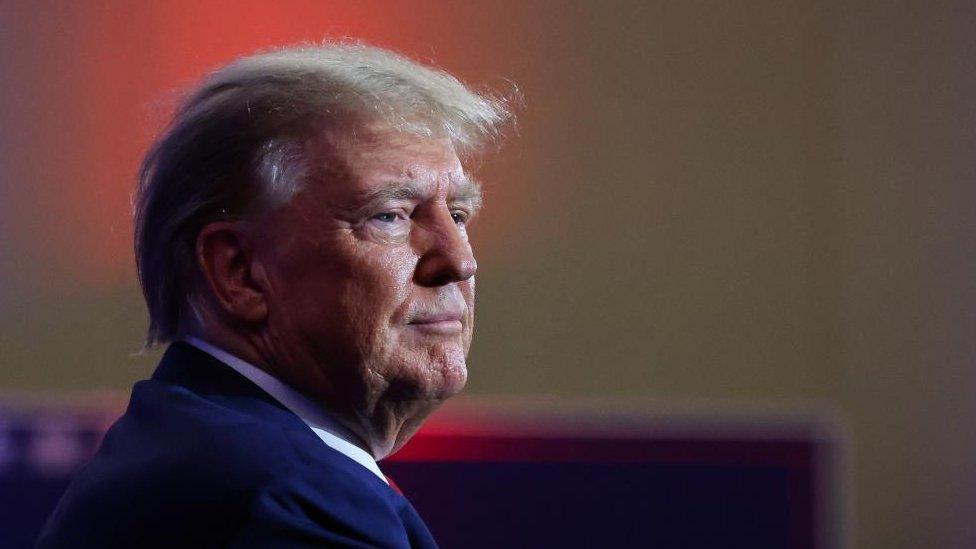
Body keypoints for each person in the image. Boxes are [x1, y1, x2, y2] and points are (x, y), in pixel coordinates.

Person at [37, 43, 513, 548]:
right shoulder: (285, 500)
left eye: (458, 215)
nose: (460, 261)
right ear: (238, 271)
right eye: (390, 216)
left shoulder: (194, 448)